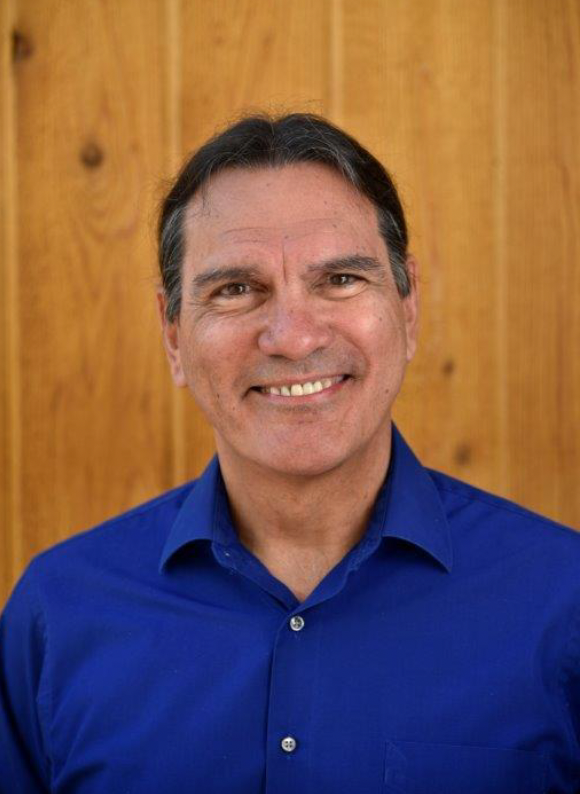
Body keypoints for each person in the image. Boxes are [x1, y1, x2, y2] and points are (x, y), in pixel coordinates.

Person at [1, 113, 579, 794]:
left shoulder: (563, 601)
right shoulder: (58, 613)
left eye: (339, 279)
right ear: (173, 337)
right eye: (236, 289)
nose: (294, 337)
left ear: (408, 307)